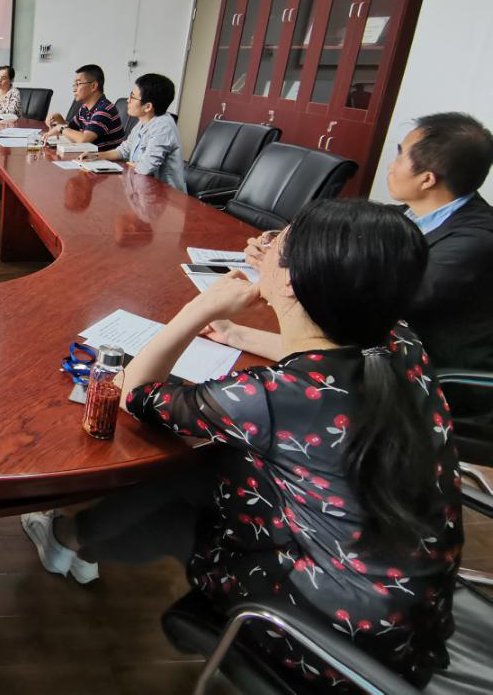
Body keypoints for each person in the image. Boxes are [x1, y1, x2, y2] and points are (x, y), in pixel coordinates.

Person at [23, 199, 461, 690]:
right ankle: (77, 541)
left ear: (293, 282)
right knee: (219, 465)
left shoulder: (271, 396)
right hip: (409, 623)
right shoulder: (401, 342)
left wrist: (197, 312)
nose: (261, 247)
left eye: (275, 245)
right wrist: (237, 332)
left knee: (197, 469)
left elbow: (131, 391)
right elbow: (323, 352)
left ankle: (72, 538)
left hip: (327, 642)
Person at [246, 112, 493, 422]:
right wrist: (281, 246)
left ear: (427, 179)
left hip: (428, 377)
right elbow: (347, 241)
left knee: (274, 408)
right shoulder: (410, 214)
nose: (391, 165)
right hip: (373, 348)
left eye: (400, 155)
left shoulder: (476, 240)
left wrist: (289, 271)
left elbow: (384, 299)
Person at [81, 73, 185, 192]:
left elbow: (146, 167)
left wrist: (132, 164)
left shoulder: (164, 127)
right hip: (141, 187)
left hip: (167, 196)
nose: (128, 100)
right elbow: (124, 151)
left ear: (147, 107)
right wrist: (97, 156)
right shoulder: (143, 121)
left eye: (132, 97)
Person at [42, 64, 124, 151]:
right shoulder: (85, 108)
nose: (74, 89)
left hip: (106, 159)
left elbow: (83, 139)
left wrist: (60, 128)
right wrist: (58, 119)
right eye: (74, 85)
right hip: (89, 156)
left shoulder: (105, 109)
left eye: (78, 84)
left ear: (93, 86)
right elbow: (70, 132)